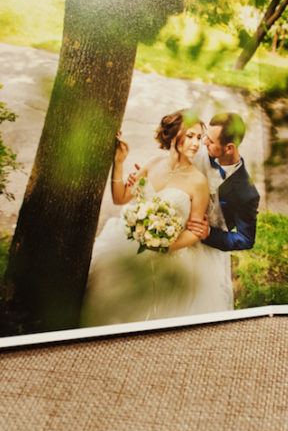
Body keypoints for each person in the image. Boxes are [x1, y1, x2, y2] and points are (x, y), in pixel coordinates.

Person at [81, 109, 234, 326]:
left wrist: (162, 247)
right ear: (171, 135)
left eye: (199, 138)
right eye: (190, 136)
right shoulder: (153, 163)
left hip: (170, 254)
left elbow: (195, 231)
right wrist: (119, 163)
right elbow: (121, 198)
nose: (195, 143)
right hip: (132, 244)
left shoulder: (198, 181)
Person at [187, 112, 260, 252]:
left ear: (229, 148)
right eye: (205, 136)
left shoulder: (247, 193)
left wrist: (208, 233)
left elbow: (245, 239)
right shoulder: (197, 152)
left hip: (207, 250)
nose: (204, 142)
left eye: (211, 141)